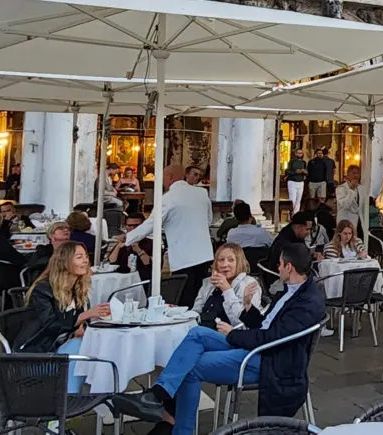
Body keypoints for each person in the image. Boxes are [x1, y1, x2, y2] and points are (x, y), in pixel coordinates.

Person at [115, 244, 325, 435]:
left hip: (271, 360)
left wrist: (234, 334)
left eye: (279, 264)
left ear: (289, 267)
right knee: (197, 334)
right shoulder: (289, 290)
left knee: (192, 367)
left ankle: (179, 429)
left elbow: (273, 338)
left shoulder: (307, 301)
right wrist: (248, 308)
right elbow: (265, 324)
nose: (277, 268)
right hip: (260, 345)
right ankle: (159, 393)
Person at [15, 242, 111, 392]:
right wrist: (82, 317)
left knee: (98, 345)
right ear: (64, 262)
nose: (86, 260)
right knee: (80, 348)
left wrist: (80, 327)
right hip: (37, 353)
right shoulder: (43, 290)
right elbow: (50, 325)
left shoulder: (76, 289)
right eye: (79, 257)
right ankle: (69, 400)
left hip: (59, 347)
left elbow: (74, 325)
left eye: (86, 256)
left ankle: (105, 396)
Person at [120, 165, 215, 308]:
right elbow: (208, 220)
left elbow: (151, 224)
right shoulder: (202, 193)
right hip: (205, 254)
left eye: (162, 178)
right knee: (200, 296)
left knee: (185, 300)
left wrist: (127, 238)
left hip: (184, 257)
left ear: (170, 177)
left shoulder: (168, 198)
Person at [194, 243, 264, 329]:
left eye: (231, 260)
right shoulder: (209, 283)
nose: (224, 265)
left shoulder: (248, 284)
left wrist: (227, 289)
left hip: (228, 335)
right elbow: (196, 312)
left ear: (239, 263)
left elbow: (244, 324)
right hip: (201, 331)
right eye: (221, 260)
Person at [266, 211, 323, 277]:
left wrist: (313, 255)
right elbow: (299, 257)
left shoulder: (297, 236)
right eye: (307, 229)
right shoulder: (284, 240)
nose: (309, 232)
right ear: (298, 227)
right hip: (279, 276)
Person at [108, 213, 153, 281]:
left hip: (142, 281)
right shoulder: (123, 242)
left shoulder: (150, 243)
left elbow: (149, 264)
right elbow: (112, 261)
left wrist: (139, 250)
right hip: (122, 280)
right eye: (129, 225)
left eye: (136, 226)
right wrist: (118, 247)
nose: (133, 228)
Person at [335, 164, 363, 230]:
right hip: (344, 220)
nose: (356, 175)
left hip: (358, 221)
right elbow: (345, 205)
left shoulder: (361, 189)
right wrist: (351, 190)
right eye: (353, 173)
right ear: (348, 175)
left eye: (358, 173)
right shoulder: (341, 188)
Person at [285, 149, 308, 213]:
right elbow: (287, 171)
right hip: (292, 182)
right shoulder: (292, 161)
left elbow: (306, 172)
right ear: (295, 154)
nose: (300, 154)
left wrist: (305, 172)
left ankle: (296, 214)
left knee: (298, 200)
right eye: (298, 153)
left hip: (300, 182)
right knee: (292, 199)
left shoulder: (304, 162)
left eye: (301, 153)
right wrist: (296, 172)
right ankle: (290, 213)